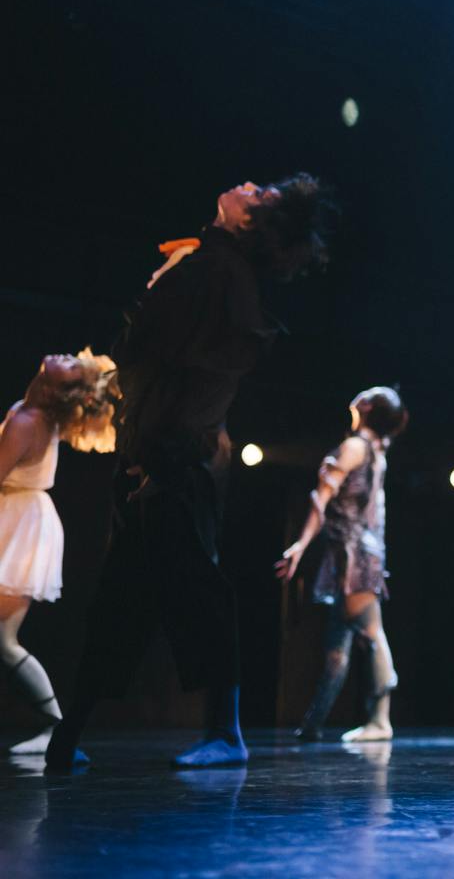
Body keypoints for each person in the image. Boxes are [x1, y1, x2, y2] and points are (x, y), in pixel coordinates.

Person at [45, 175, 338, 771]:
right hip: (156, 455)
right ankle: (67, 736)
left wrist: (162, 454)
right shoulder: (207, 264)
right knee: (122, 596)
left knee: (195, 592)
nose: (246, 185)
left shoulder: (222, 274)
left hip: (177, 459)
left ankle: (225, 734)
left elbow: (193, 371)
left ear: (249, 222)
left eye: (258, 195)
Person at [1, 350, 118, 755]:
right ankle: (54, 726)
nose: (67, 356)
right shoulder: (31, 412)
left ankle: (55, 726)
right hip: (19, 516)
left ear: (55, 389)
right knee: (3, 641)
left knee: (5, 640)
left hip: (18, 525)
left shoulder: (29, 420)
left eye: (70, 366)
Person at [275, 387, 408, 743]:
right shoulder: (375, 450)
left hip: (354, 556)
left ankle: (380, 720)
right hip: (353, 554)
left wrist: (301, 545)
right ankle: (313, 723)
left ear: (367, 406)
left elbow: (321, 500)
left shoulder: (355, 447)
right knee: (338, 643)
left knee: (371, 634)